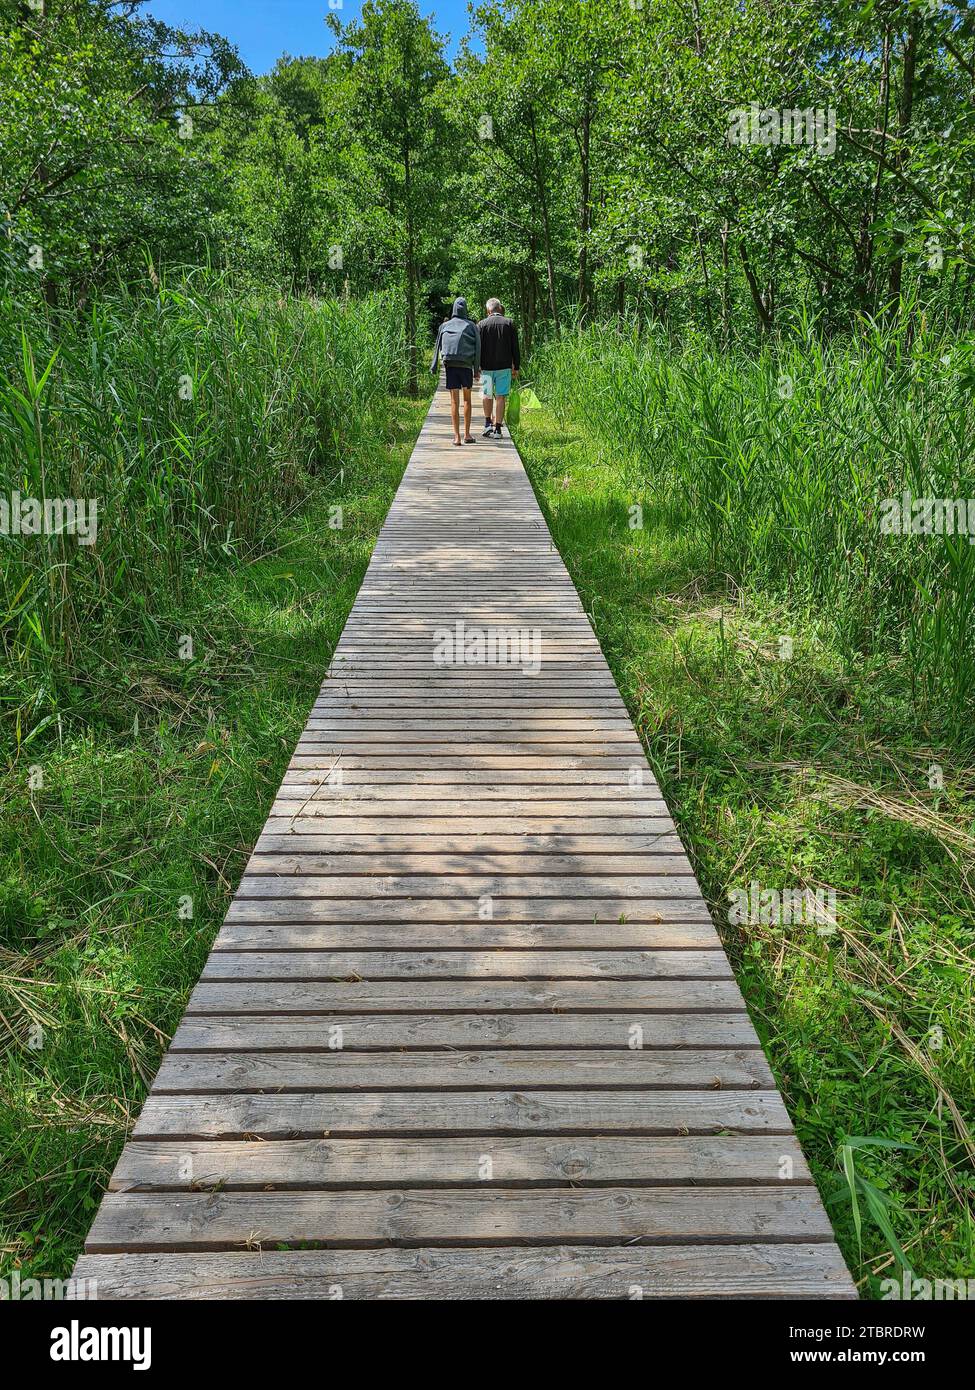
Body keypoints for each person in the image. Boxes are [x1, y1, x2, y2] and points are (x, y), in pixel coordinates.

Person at [430, 296, 481, 445]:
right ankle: (467, 435)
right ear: (465, 309)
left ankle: (456, 437)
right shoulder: (472, 326)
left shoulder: (444, 326)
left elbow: (437, 347)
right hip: (465, 366)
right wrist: (476, 369)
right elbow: (478, 349)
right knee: (467, 400)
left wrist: (434, 366)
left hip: (450, 365)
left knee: (454, 401)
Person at [477, 298, 520, 437]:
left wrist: (476, 366)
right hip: (504, 367)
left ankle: (488, 424)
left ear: (489, 310)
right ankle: (498, 429)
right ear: (499, 309)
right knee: (501, 397)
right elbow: (515, 347)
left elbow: (477, 348)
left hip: (486, 367)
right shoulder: (509, 323)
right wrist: (516, 366)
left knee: (487, 395)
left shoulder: (481, 324)